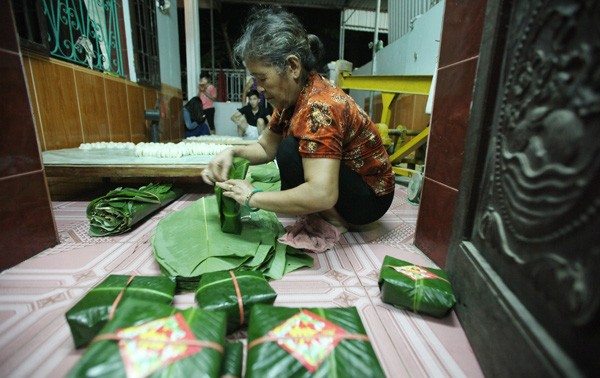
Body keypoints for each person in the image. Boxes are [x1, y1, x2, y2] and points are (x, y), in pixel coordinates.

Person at [201, 6, 394, 232]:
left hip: (369, 198)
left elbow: (323, 193)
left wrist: (252, 197)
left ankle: (336, 220)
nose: (259, 88)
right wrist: (231, 152)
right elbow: (265, 148)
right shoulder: (290, 98)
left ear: (292, 66)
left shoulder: (319, 106)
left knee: (290, 149)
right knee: (287, 149)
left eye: (262, 78)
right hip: (348, 186)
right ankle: (322, 212)